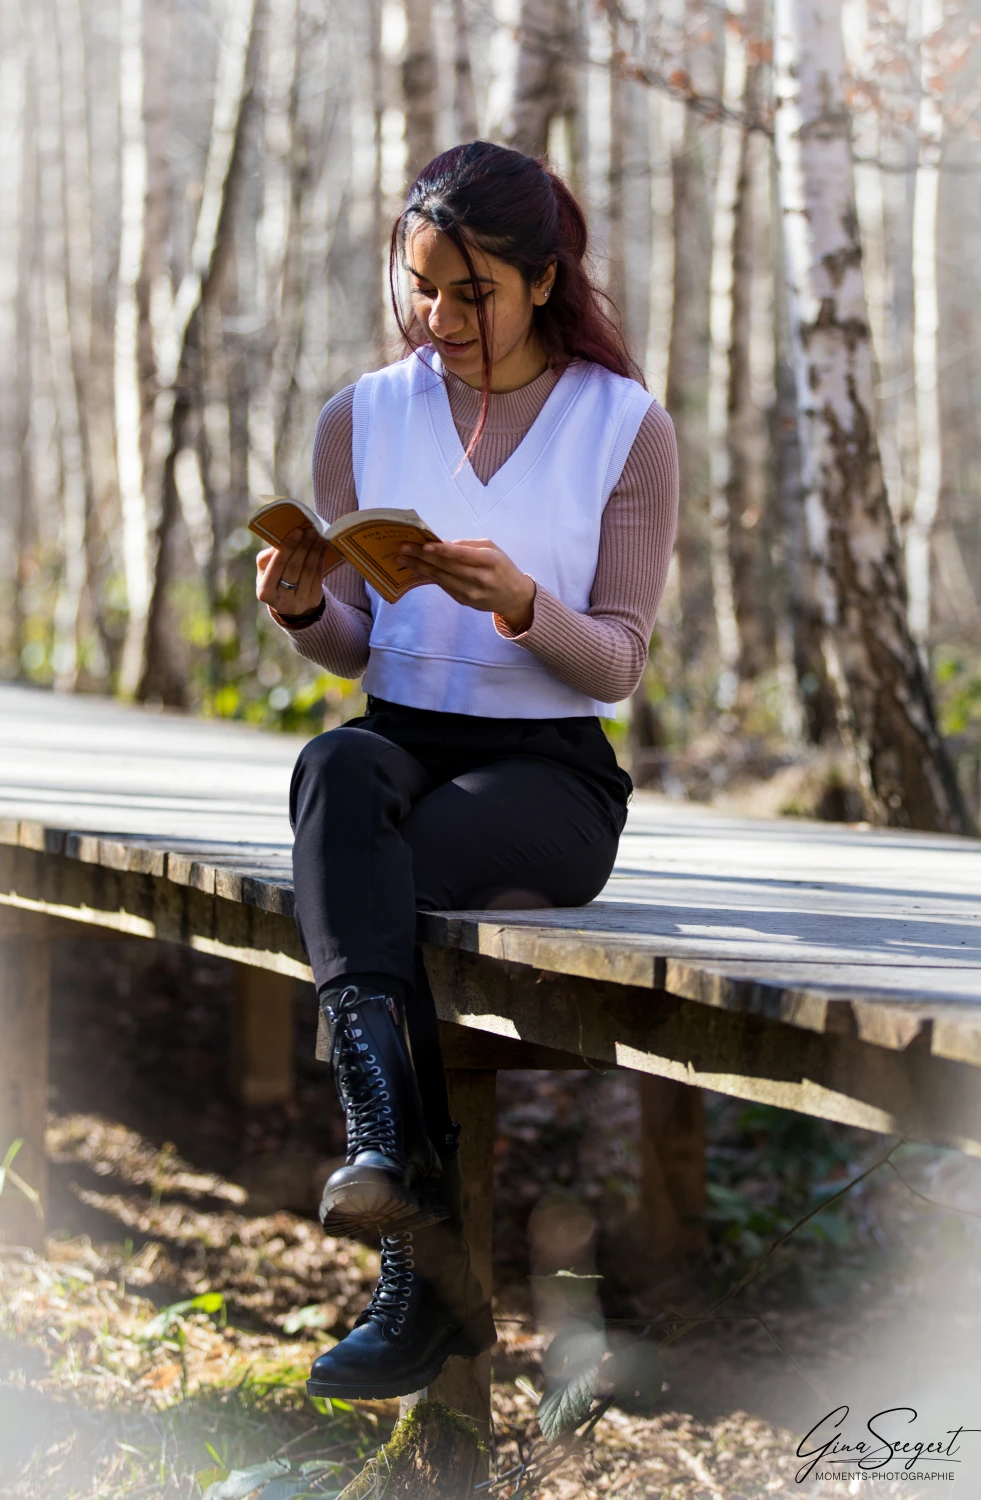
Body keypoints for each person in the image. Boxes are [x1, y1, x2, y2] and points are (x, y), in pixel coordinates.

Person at [254, 140, 679, 1400]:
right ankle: (394, 1177)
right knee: (337, 770)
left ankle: (416, 1269)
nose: (439, 321)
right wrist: (299, 608)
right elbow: (356, 651)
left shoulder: (625, 429)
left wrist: (522, 604)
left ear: (543, 281)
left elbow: (614, 666)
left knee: (359, 891)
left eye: (470, 293)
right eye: (420, 288)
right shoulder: (361, 418)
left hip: (548, 777)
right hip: (403, 746)